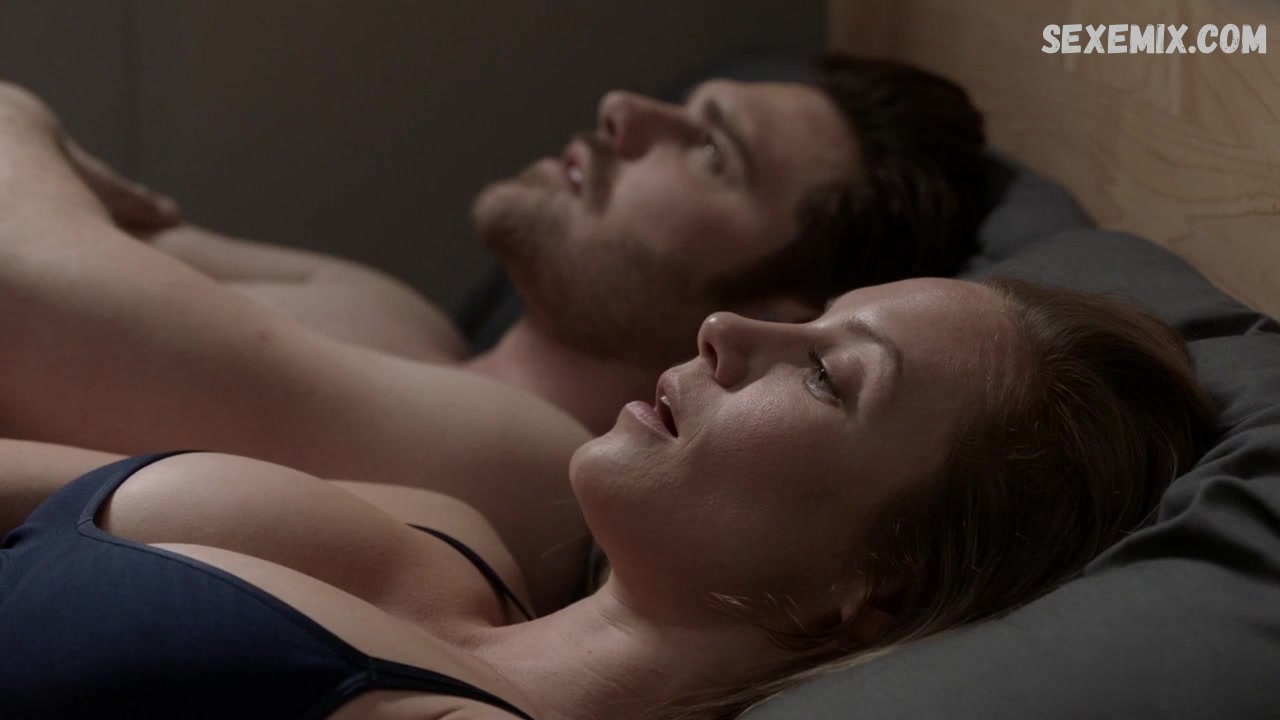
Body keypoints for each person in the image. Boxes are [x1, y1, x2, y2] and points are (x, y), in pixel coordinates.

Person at [0, 273, 1217, 719]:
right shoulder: (439, 531)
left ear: (880, 583)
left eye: (827, 376)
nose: (725, 327)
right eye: (807, 318)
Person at [62, 54, 991, 435]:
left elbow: (30, 276)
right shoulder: (391, 308)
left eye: (712, 151)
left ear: (771, 317)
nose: (623, 110)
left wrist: (18, 120)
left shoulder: (526, 463)